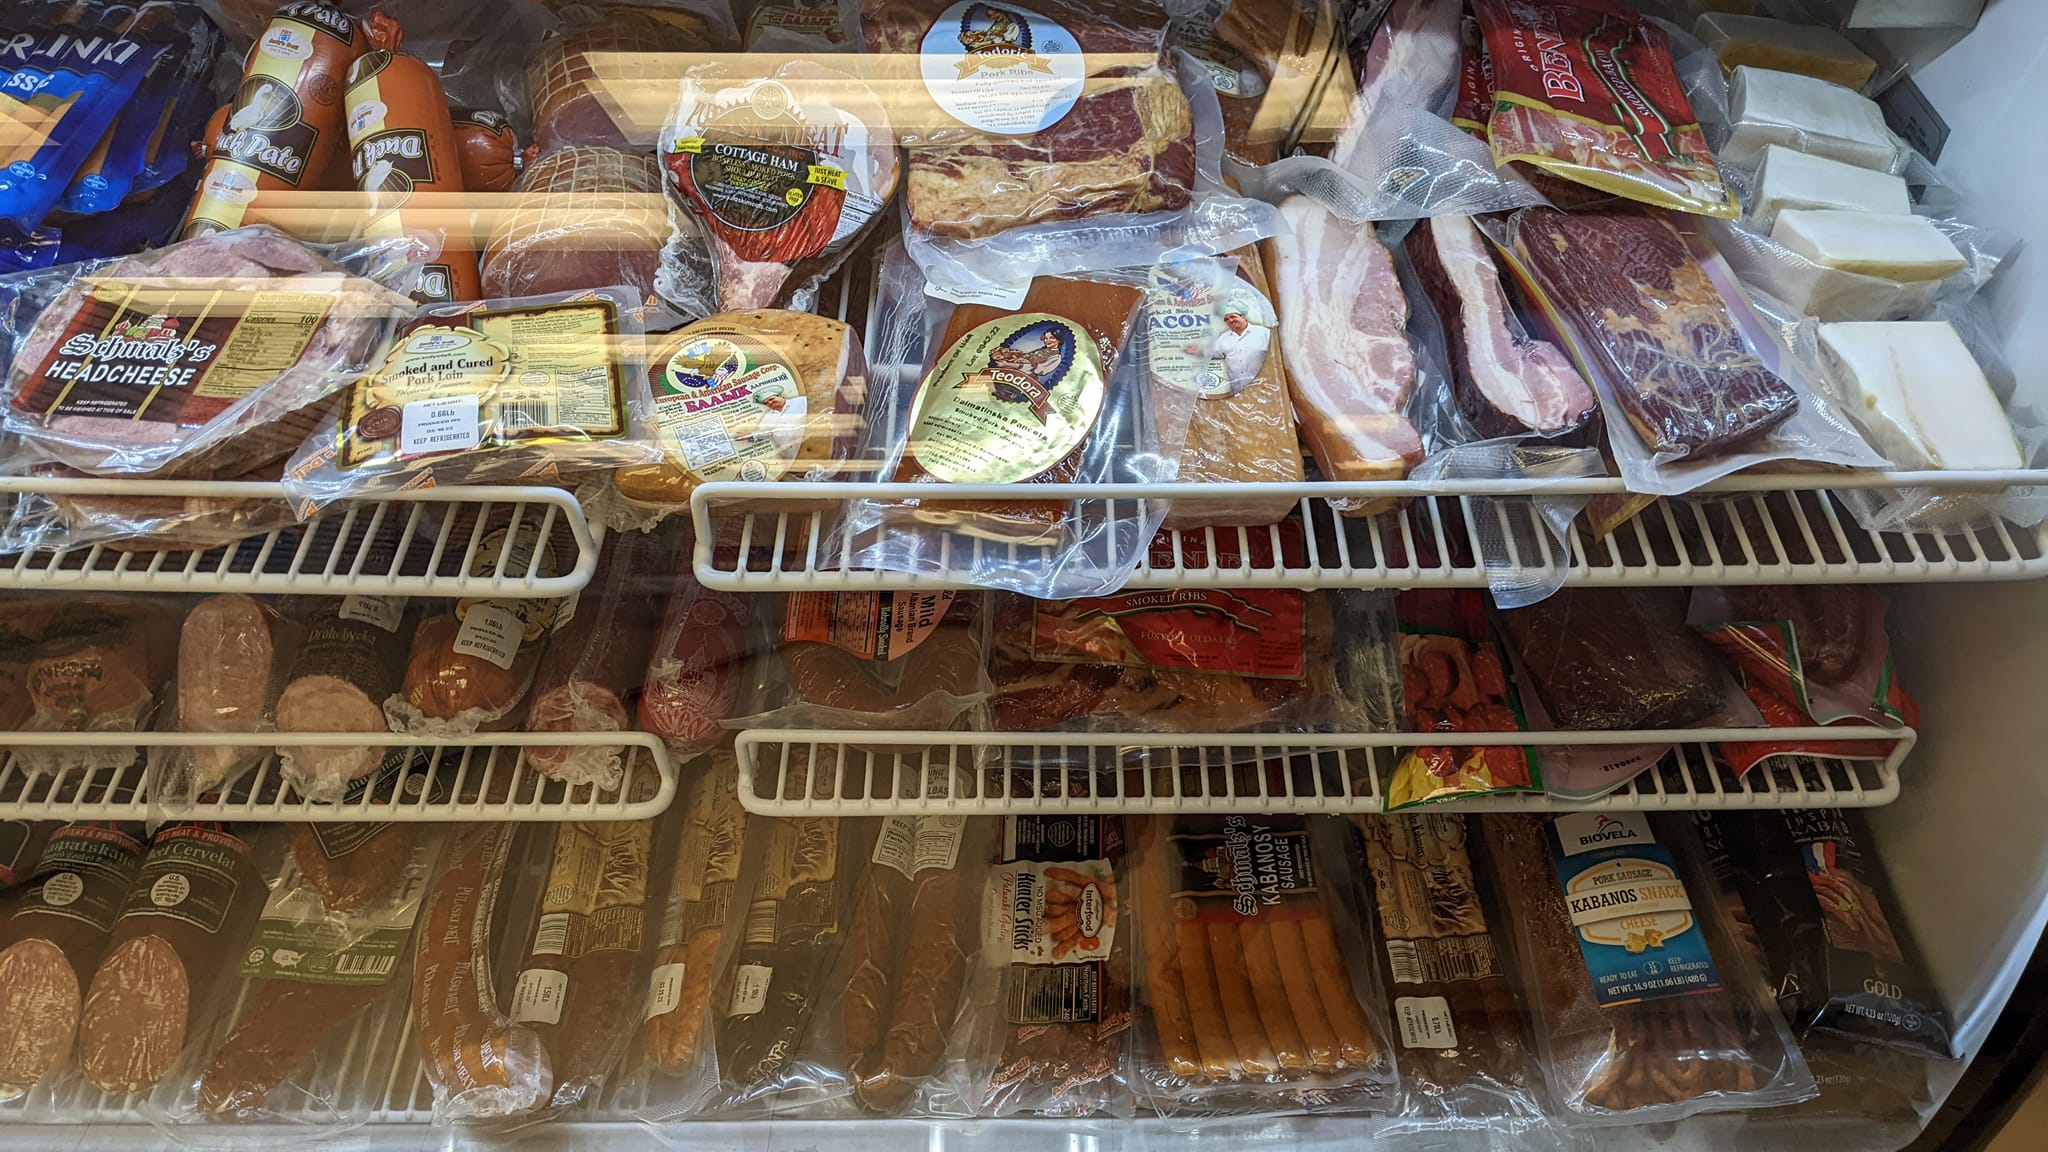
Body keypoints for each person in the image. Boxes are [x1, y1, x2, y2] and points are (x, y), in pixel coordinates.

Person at [1211, 307, 1270, 391]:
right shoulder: (1223, 338)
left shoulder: (1264, 333)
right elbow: (1212, 354)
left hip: (1263, 388)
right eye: (1226, 319)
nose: (1230, 320)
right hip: (1237, 392)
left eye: (1233, 317)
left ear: (1243, 317)